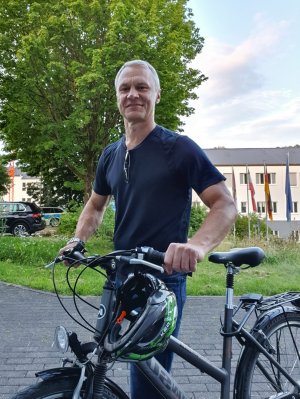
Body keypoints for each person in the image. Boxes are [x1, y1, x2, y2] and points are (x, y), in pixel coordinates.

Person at [60, 60, 237, 398]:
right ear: (117, 98)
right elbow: (95, 206)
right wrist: (76, 239)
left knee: (146, 387)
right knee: (103, 359)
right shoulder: (110, 154)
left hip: (162, 279)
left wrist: (196, 247)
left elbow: (224, 204)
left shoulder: (178, 148)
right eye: (125, 88)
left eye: (141, 87)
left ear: (157, 93)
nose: (133, 94)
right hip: (120, 277)